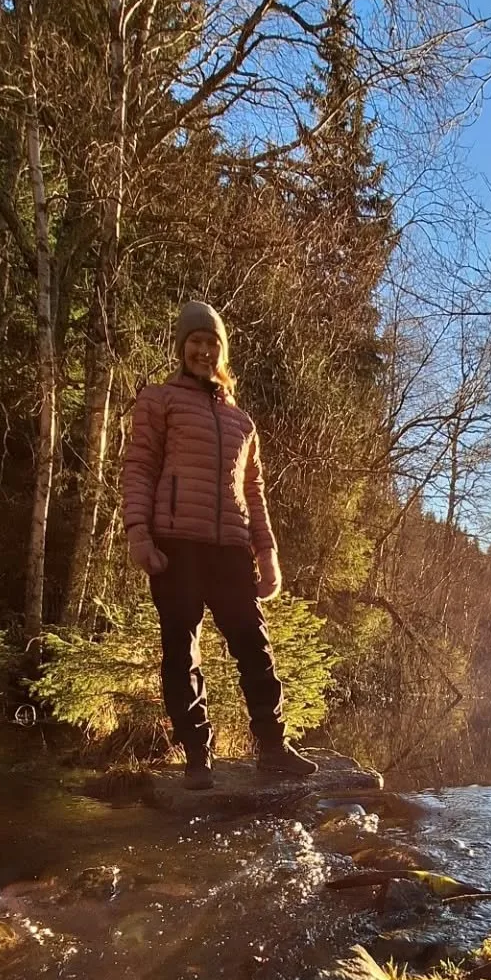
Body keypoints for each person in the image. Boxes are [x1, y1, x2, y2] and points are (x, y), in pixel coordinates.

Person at [121, 300, 318, 788]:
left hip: (231, 547)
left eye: (212, 343)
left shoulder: (242, 423)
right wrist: (139, 534)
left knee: (254, 646)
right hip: (176, 544)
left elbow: (254, 492)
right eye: (196, 342)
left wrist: (267, 552)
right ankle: (197, 756)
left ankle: (273, 747)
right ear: (182, 347)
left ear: (222, 350)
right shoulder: (158, 400)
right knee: (181, 652)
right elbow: (139, 468)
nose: (204, 351)